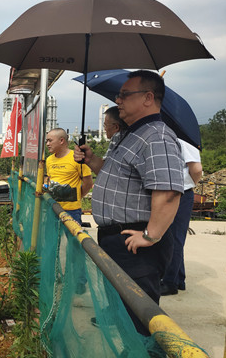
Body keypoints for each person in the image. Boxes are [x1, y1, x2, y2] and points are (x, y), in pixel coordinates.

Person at [74, 70, 184, 336]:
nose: (117, 100)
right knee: (122, 311)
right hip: (117, 238)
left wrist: (150, 235)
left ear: (148, 98)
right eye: (118, 95)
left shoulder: (156, 137)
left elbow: (169, 192)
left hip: (136, 244)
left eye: (124, 95)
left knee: (138, 319)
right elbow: (115, 174)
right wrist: (92, 160)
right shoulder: (128, 134)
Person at [45, 128, 93, 294]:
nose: (47, 144)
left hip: (71, 212)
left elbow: (88, 183)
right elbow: (49, 180)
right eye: (47, 140)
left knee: (75, 248)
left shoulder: (77, 159)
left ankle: (79, 282)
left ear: (62, 141)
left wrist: (77, 197)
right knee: (50, 246)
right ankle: (52, 277)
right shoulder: (49, 160)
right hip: (53, 210)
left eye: (50, 140)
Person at [161, 139, 202, 295]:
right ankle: (178, 279)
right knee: (175, 236)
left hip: (180, 192)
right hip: (178, 190)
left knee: (173, 239)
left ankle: (169, 282)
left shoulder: (185, 140)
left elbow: (196, 170)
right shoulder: (175, 138)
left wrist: (187, 185)